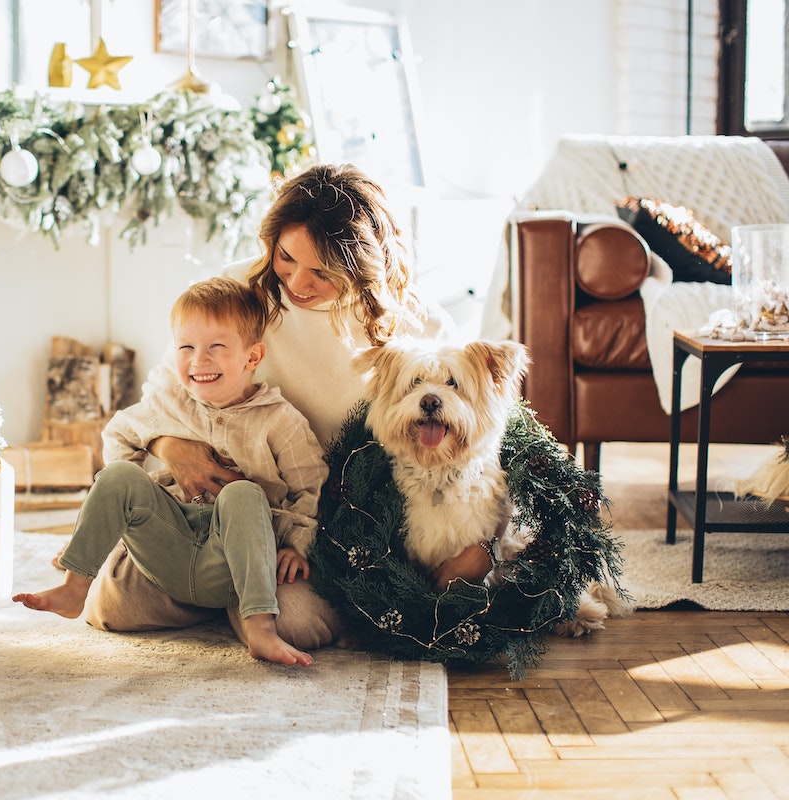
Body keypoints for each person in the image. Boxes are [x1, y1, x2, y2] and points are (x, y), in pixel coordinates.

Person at [80, 162, 494, 649]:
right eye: (286, 257)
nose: (298, 282)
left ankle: (239, 596)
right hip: (210, 511)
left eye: (322, 271)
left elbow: (477, 419)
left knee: (297, 624)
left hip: (312, 523)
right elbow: (165, 390)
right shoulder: (239, 290)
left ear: (364, 265)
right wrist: (169, 445)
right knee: (111, 608)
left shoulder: (414, 324)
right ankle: (221, 585)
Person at [13, 277, 328, 666]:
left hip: (235, 557)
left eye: (217, 347)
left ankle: (259, 628)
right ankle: (74, 586)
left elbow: (310, 485)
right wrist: (126, 512)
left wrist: (297, 544)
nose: (199, 360)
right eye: (186, 347)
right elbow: (117, 435)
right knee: (117, 478)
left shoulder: (279, 420)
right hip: (172, 540)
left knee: (243, 493)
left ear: (252, 357)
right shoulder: (167, 403)